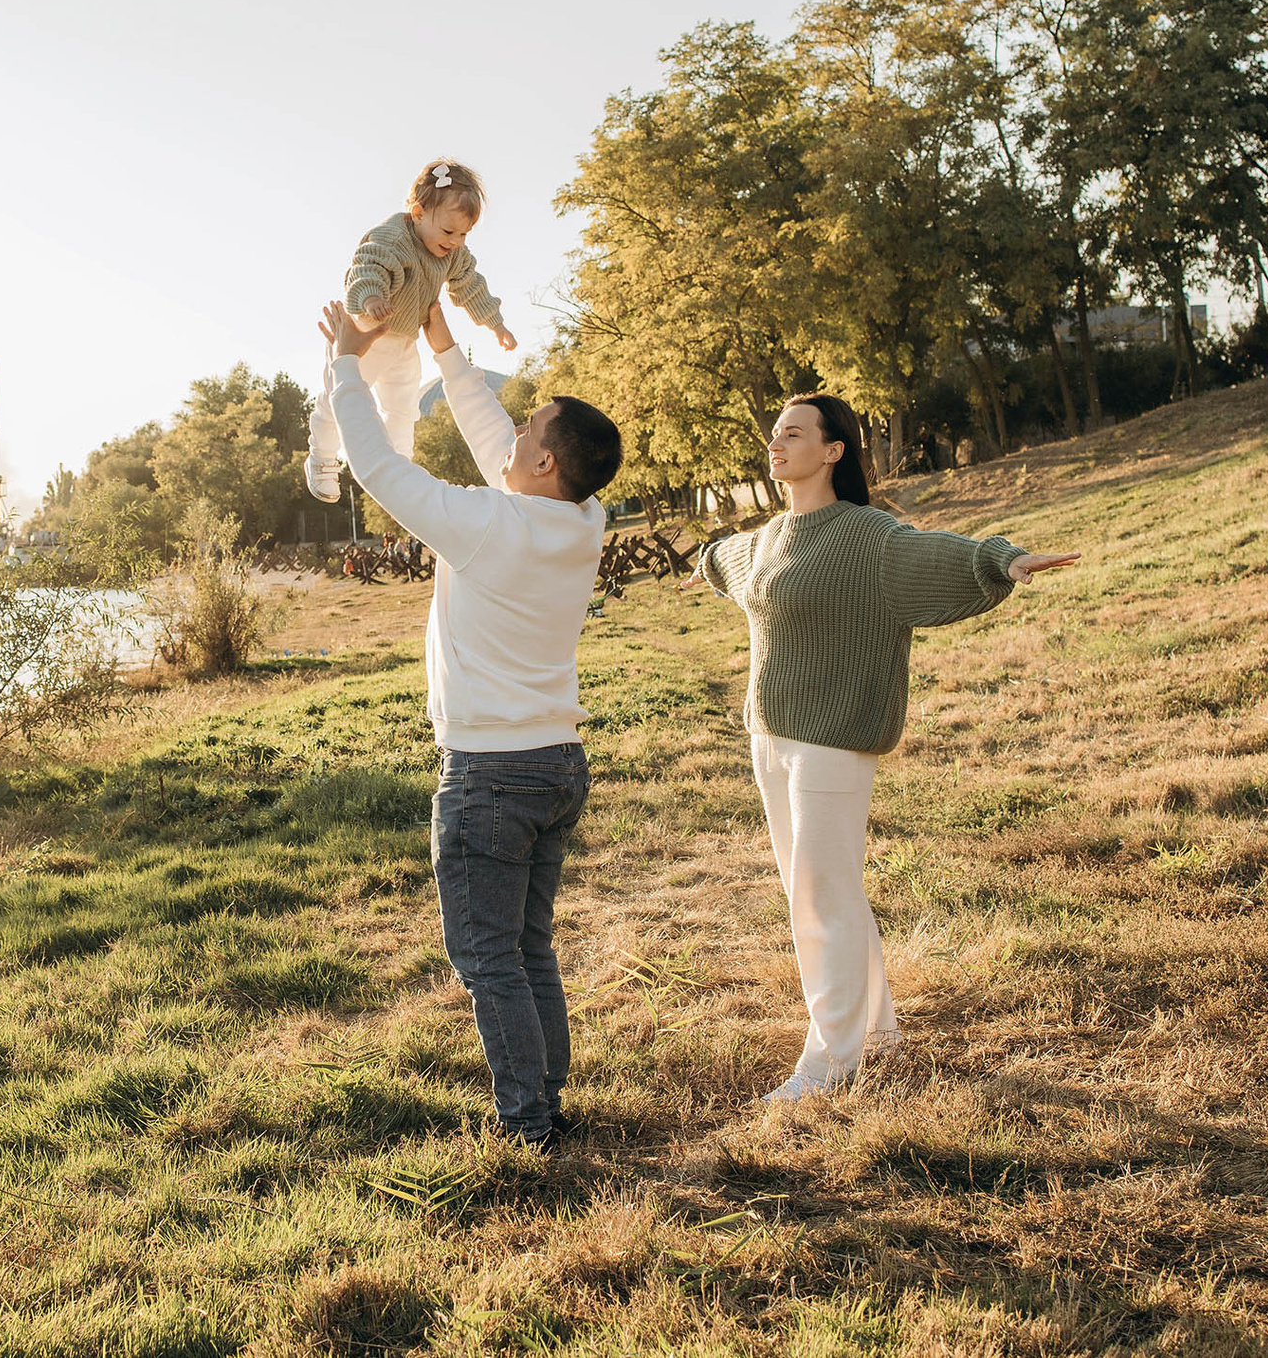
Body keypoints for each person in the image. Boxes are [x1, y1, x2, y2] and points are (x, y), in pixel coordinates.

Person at [683, 394, 1078, 1102]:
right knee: (821, 891)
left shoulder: (870, 536)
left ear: (834, 450)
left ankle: (828, 1062)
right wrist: (705, 562)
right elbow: (728, 560)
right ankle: (878, 1033)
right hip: (769, 738)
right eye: (775, 434)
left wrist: (1005, 561)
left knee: (820, 898)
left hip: (835, 738)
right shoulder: (771, 536)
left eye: (795, 434)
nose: (777, 445)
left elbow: (943, 554)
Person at [316, 294, 617, 1150]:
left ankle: (528, 1126)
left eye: (531, 430)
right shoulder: (581, 520)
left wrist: (345, 362)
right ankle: (547, 1103)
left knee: (490, 958)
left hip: (490, 774)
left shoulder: (488, 524)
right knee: (527, 947)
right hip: (556, 760)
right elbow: (501, 454)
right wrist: (447, 349)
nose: (514, 435)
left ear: (547, 462)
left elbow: (378, 466)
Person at [306, 159, 518, 503]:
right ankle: (322, 457)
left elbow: (470, 285)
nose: (456, 241)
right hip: (364, 333)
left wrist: (496, 323)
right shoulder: (393, 237)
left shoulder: (453, 253)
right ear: (418, 213)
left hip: (404, 340)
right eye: (449, 232)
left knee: (404, 405)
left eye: (464, 234)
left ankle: (399, 466)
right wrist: (371, 297)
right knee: (339, 396)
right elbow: (368, 264)